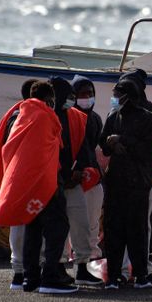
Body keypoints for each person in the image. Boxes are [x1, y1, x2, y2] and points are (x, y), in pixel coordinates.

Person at [0, 81, 77, 294]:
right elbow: (52, 146)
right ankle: (50, 277)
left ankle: (30, 277)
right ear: (49, 99)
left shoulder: (19, 115)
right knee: (58, 228)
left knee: (32, 230)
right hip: (45, 182)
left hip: (25, 182)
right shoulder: (44, 116)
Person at [99, 80, 152, 290]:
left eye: (117, 94)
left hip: (137, 184)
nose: (114, 98)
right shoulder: (113, 116)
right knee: (113, 229)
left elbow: (151, 148)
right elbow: (103, 144)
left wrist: (122, 140)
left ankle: (141, 275)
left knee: (137, 231)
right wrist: (110, 142)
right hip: (115, 182)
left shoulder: (147, 118)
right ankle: (114, 276)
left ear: (127, 95)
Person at [49, 76, 103, 287]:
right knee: (59, 229)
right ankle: (58, 268)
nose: (82, 99)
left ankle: (81, 268)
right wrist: (65, 176)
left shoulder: (89, 119)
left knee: (83, 225)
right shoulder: (51, 118)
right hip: (57, 182)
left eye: (89, 94)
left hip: (79, 180)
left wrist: (78, 172)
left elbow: (83, 148)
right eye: (77, 95)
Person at [118, 68, 152, 285]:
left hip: (144, 178)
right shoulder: (117, 112)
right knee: (120, 224)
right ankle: (120, 268)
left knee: (143, 225)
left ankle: (142, 269)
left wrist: (123, 142)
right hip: (120, 177)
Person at [6, 78, 39, 290]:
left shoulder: (14, 118)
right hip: (29, 178)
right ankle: (22, 272)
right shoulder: (29, 118)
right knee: (30, 227)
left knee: (19, 226)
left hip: (17, 177)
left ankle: (19, 272)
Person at [72, 75, 104, 262]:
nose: (87, 97)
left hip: (92, 178)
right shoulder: (67, 118)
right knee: (73, 224)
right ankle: (72, 259)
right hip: (73, 178)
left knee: (92, 223)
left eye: (90, 94)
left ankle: (91, 260)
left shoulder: (96, 119)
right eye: (82, 94)